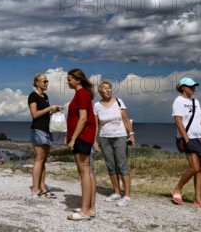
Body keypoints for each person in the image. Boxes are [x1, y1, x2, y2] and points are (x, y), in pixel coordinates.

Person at [171, 77, 201, 210]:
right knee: (194, 167)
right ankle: (177, 189)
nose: (193, 88)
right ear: (183, 87)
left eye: (194, 86)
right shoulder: (178, 101)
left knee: (200, 169)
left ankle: (198, 199)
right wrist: (186, 139)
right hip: (188, 137)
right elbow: (178, 121)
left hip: (200, 137)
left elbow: (200, 120)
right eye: (190, 86)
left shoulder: (196, 101)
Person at [94, 81, 135, 207]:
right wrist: (94, 140)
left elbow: (126, 120)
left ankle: (127, 196)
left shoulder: (119, 101)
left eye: (110, 88)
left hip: (120, 137)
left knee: (122, 165)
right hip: (105, 138)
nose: (108, 90)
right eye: (106, 88)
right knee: (111, 166)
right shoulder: (96, 105)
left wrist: (131, 134)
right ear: (101, 91)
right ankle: (117, 192)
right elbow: (96, 125)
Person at [66, 68, 97, 221]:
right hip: (83, 137)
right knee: (87, 172)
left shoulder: (82, 94)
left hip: (82, 137)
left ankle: (85, 211)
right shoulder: (81, 93)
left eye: (70, 79)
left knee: (84, 172)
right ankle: (90, 208)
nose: (67, 81)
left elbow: (83, 118)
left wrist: (73, 139)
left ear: (77, 80)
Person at [28, 73, 63, 198]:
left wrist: (55, 109)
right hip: (38, 130)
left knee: (43, 160)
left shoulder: (45, 96)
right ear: (37, 83)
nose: (46, 83)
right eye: (44, 81)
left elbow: (44, 114)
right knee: (39, 159)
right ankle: (35, 189)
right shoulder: (33, 96)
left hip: (47, 130)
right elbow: (35, 114)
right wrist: (49, 109)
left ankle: (43, 187)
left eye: (47, 81)